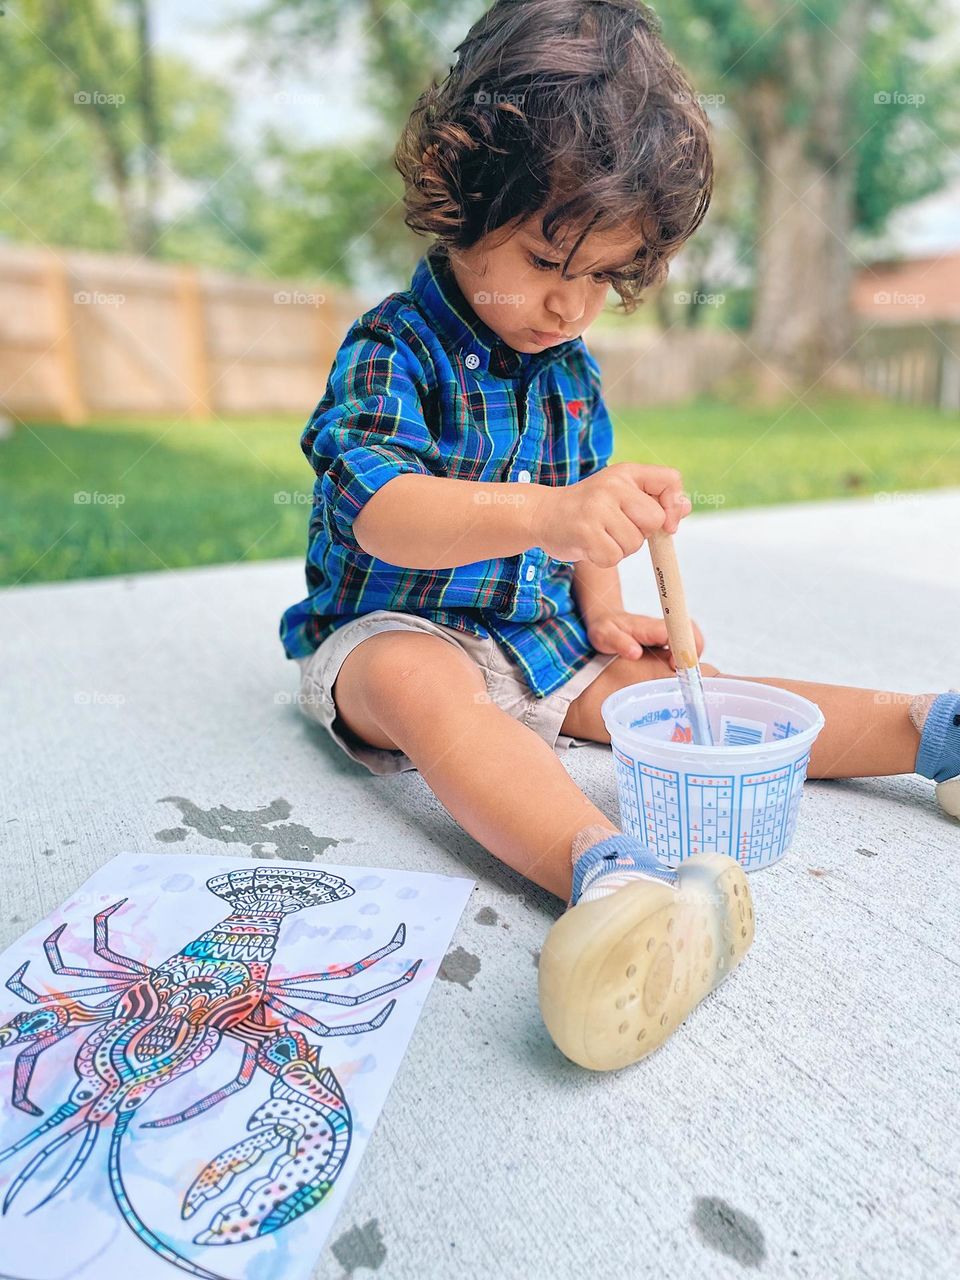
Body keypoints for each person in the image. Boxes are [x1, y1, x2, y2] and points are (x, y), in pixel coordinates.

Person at [279, 0, 958, 1072]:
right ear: (465, 200)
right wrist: (550, 515)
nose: (574, 306)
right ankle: (616, 880)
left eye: (605, 276)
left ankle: (930, 731)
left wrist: (605, 605)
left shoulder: (572, 372)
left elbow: (582, 505)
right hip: (387, 630)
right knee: (432, 696)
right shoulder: (391, 347)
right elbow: (383, 508)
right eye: (553, 263)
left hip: (538, 637)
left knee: (693, 689)